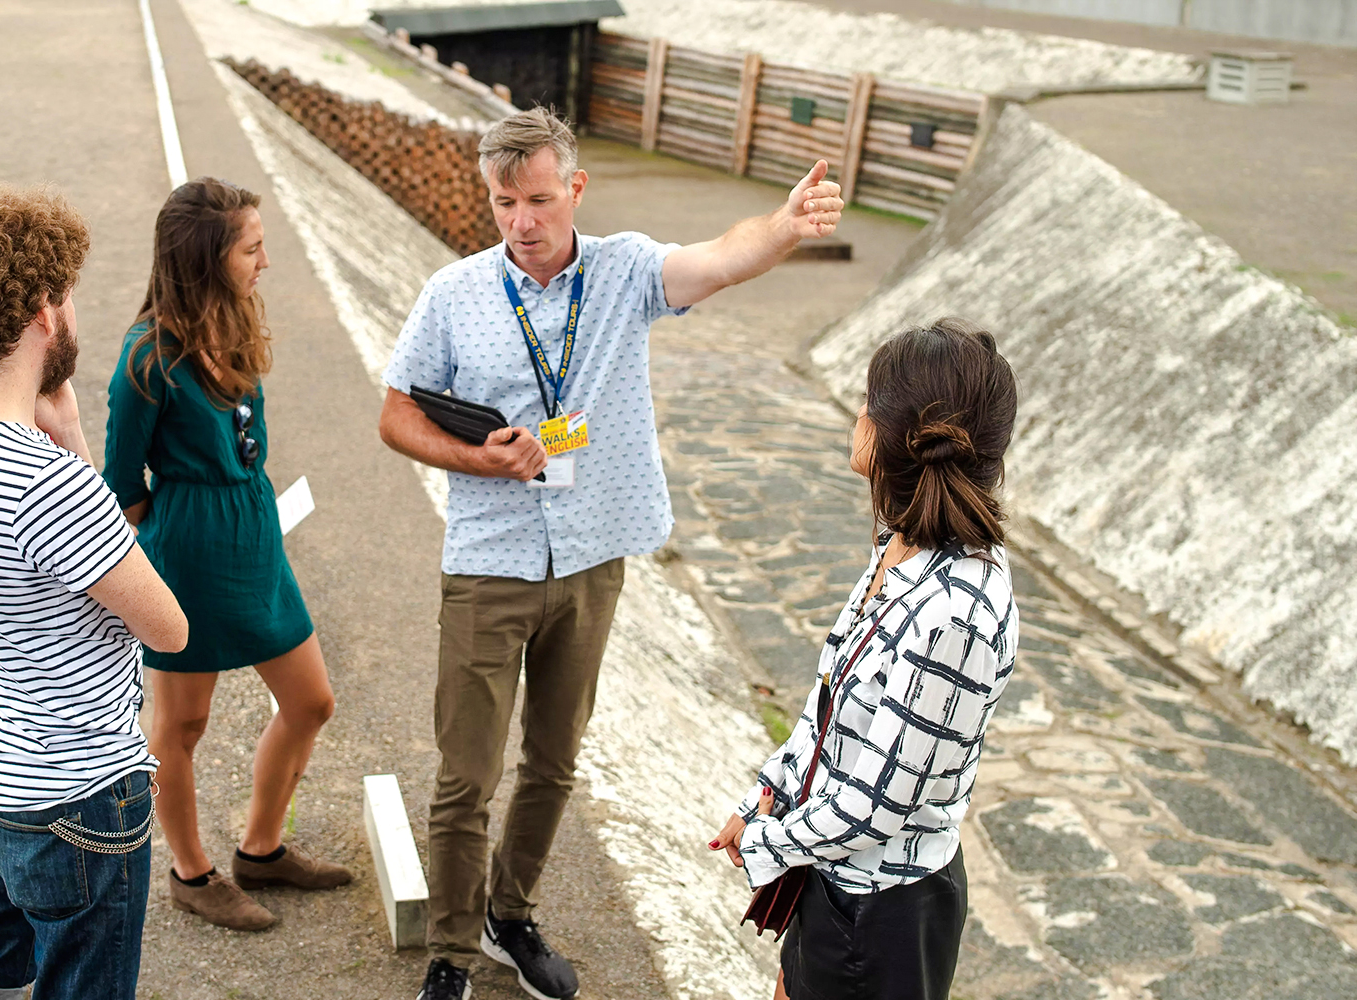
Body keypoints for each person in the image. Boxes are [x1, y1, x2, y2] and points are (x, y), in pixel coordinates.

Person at [378, 106, 845, 1000]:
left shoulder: (626, 269)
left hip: (594, 557)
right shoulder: (454, 295)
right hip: (490, 560)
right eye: (505, 201)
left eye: (540, 199)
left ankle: (510, 916)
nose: (522, 221)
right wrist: (480, 457)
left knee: (554, 759)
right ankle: (450, 951)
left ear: (576, 190)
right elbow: (396, 416)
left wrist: (783, 227)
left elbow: (719, 258)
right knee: (465, 777)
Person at [0, 185, 188, 1000]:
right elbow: (168, 628)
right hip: (76, 795)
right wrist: (81, 452)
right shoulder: (48, 485)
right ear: (45, 313)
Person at [708, 318, 1019, 1000]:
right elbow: (830, 709)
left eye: (870, 402)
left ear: (901, 436)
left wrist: (767, 844)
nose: (857, 415)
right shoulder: (899, 544)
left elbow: (878, 805)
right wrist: (766, 792)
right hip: (838, 880)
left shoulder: (956, 612)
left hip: (884, 915)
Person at [103, 177, 350, 933]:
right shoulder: (147, 355)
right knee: (181, 726)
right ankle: (191, 871)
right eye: (252, 248)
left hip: (252, 532)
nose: (265, 261)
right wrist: (174, 537)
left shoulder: (236, 317)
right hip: (188, 547)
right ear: (208, 256)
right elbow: (121, 480)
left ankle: (262, 849)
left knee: (310, 700)